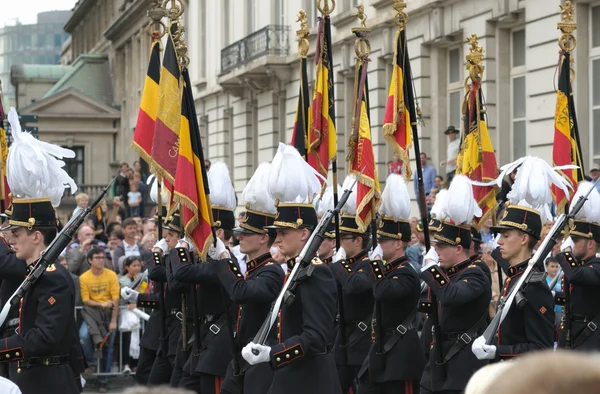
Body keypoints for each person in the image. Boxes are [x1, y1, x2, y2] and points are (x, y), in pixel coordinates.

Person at [241, 143, 340, 394]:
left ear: (305, 233)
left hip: (310, 382)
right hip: (289, 378)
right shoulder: (295, 270)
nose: (277, 239)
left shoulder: (317, 274)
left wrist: (272, 354)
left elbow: (316, 337)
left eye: (283, 232)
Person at [472, 156, 563, 362]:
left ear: (523, 239)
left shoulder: (533, 286)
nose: (499, 242)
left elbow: (542, 348)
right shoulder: (515, 276)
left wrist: (498, 350)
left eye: (505, 235)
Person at [212, 161, 285, 394]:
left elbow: (240, 292)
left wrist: (223, 257)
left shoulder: (272, 271)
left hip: (260, 357)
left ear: (264, 238)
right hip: (241, 355)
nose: (239, 238)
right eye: (240, 233)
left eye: (246, 234)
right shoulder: (254, 268)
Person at [1, 197, 84, 393]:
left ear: (36, 237)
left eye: (16, 233)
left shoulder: (52, 277)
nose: (10, 239)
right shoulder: (34, 273)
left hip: (46, 381)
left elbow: (45, 337)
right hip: (28, 376)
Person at [419, 175, 492, 394]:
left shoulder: (475, 273)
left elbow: (452, 296)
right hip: (438, 357)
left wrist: (432, 269)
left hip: (463, 360)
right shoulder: (449, 273)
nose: (436, 252)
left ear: (458, 249)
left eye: (441, 247)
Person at [357, 174, 425, 394]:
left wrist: (375, 264)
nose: (379, 245)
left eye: (383, 241)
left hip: (400, 356)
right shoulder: (390, 269)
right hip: (381, 350)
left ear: (397, 243)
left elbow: (383, 292)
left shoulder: (406, 273)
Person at [328, 174, 377, 394]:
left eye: (343, 239)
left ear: (358, 240)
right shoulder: (344, 264)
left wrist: (338, 265)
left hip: (361, 343)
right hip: (341, 342)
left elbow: (355, 285)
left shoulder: (369, 264)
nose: (339, 244)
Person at [554, 181, 600, 350]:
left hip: (590, 340)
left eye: (576, 240)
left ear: (591, 244)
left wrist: (565, 253)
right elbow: (576, 297)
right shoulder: (580, 266)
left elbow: (577, 276)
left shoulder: (596, 265)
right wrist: (551, 295)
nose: (572, 244)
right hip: (571, 336)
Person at [79, 247, 120, 392]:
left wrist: (114, 321)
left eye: (103, 257)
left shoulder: (111, 275)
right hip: (91, 313)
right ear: (90, 260)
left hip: (109, 313)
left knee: (108, 346)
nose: (101, 260)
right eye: (97, 257)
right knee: (83, 335)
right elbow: (86, 300)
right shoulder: (84, 277)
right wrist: (101, 303)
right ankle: (91, 363)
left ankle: (104, 379)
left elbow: (115, 299)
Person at [119, 256, 144, 375]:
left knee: (138, 337)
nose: (136, 268)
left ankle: (136, 364)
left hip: (139, 311)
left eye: (138, 265)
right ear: (127, 267)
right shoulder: (122, 280)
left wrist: (140, 283)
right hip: (126, 312)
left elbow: (144, 293)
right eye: (134, 265)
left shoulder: (143, 278)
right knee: (127, 338)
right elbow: (125, 295)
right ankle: (126, 363)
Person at [544, 257, 562, 328]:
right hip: (549, 311)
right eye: (552, 266)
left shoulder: (561, 280)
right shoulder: (544, 281)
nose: (555, 269)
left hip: (560, 311)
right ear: (546, 267)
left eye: (557, 266)